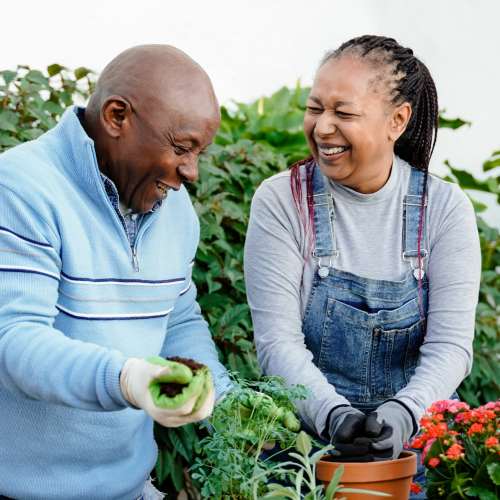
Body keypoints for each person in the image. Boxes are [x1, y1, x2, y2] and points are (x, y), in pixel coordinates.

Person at [244, 35, 480, 495]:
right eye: (315, 108)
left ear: (397, 121)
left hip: (413, 451)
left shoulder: (445, 209)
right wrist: (335, 416)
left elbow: (451, 347)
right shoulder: (282, 201)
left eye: (344, 113)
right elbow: (276, 343)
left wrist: (402, 413)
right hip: (305, 455)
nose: (323, 127)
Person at [0, 45, 232, 499]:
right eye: (182, 148)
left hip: (130, 488)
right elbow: (13, 340)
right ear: (117, 117)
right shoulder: (22, 188)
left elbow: (179, 319)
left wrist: (220, 395)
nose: (192, 172)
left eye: (199, 152)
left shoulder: (176, 210)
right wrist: (126, 379)